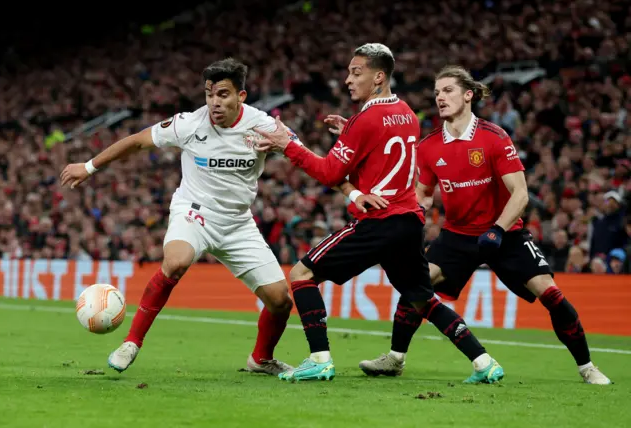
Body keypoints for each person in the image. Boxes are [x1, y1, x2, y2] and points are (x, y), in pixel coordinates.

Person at [253, 43, 503, 383]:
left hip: (380, 221)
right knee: (422, 299)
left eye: (357, 73)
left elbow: (329, 173)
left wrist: (289, 146)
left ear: (379, 76)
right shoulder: (406, 112)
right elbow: (380, 155)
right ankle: (483, 361)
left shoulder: (365, 119)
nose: (348, 80)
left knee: (301, 276)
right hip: (410, 221)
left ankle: (320, 358)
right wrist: (351, 136)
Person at [355, 65, 612, 385]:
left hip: (505, 233)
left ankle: (587, 366)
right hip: (456, 236)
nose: (440, 97)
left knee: (550, 293)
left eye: (447, 90)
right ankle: (395, 359)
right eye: (436, 92)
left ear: (468, 95)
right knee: (416, 286)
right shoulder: (429, 146)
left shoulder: (494, 137)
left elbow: (520, 194)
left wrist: (499, 229)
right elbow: (424, 195)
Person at [60, 58, 295, 376]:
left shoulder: (265, 126)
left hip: (238, 223)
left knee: (281, 301)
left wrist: (349, 189)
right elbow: (137, 141)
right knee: (176, 261)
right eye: (210, 94)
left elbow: (307, 158)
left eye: (223, 94)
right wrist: (88, 167)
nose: (214, 102)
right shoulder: (189, 124)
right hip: (194, 212)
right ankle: (131, 342)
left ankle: (261, 359)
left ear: (241, 96)